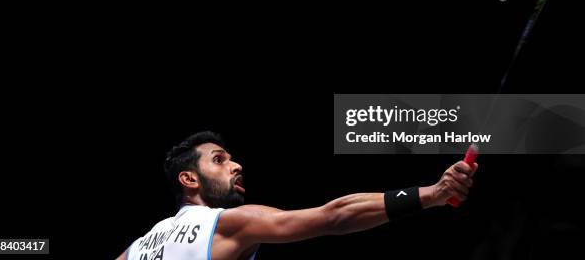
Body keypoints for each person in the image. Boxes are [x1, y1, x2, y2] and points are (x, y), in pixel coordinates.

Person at [116, 131, 478, 260]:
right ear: (189, 179)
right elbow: (334, 216)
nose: (236, 165)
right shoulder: (225, 225)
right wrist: (431, 194)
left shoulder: (137, 249)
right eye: (219, 160)